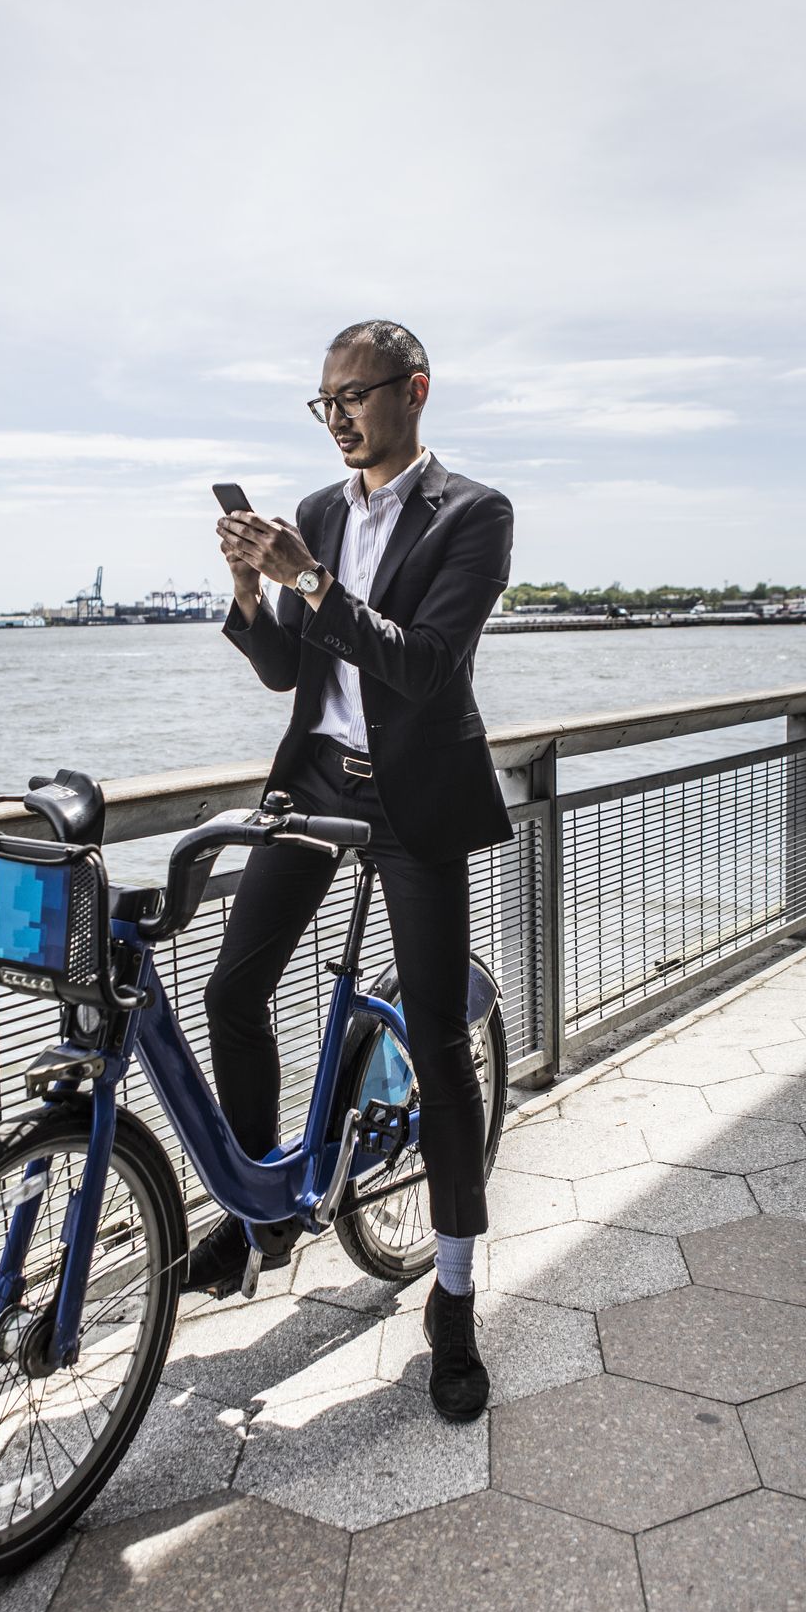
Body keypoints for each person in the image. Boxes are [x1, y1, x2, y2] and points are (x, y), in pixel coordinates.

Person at [187, 317, 513, 1421]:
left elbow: (422, 669)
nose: (337, 419)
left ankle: (455, 1302)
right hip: (316, 780)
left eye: (355, 395)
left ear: (413, 389)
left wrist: (313, 582)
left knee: (436, 1043)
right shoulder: (317, 512)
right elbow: (290, 667)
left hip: (417, 802)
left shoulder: (474, 513)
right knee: (232, 987)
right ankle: (264, 1216)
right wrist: (249, 590)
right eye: (323, 402)